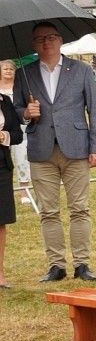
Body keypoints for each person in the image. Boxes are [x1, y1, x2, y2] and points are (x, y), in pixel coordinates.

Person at [14, 22, 96, 282]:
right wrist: (25, 113)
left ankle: (82, 264)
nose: (46, 42)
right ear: (33, 44)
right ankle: (56, 265)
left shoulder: (81, 71)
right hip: (41, 149)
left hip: (77, 148)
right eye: (40, 38)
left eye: (51, 37)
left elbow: (94, 110)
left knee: (79, 208)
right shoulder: (24, 74)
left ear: (61, 39)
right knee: (48, 211)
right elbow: (17, 108)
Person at [0, 86, 23, 288]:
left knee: (1, 221)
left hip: (2, 167)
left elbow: (18, 135)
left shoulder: (5, 102)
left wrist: (4, 137)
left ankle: (0, 274)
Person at [0, 60, 31, 204]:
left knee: (22, 158)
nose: (8, 71)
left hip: (19, 128)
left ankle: (24, 190)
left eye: (11, 69)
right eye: (5, 69)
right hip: (2, 129)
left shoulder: (20, 87)